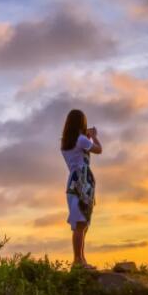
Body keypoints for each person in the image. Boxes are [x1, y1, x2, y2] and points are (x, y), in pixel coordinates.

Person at [60, 109, 102, 269]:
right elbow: (99, 149)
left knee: (81, 222)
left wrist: (87, 136)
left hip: (73, 182)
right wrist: (95, 136)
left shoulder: (66, 142)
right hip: (83, 182)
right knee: (81, 224)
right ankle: (78, 260)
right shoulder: (82, 139)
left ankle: (81, 259)